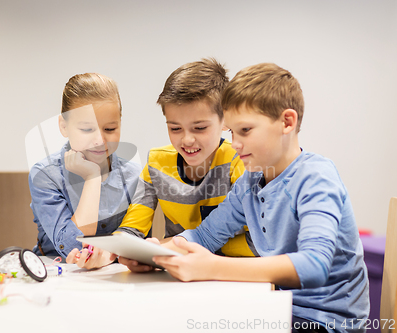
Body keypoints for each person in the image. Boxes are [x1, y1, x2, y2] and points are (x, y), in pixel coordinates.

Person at [153, 63, 369, 332]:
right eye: (231, 132)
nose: (234, 144)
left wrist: (212, 267)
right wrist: (154, 254)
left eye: (245, 131)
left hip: (325, 321)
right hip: (275, 306)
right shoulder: (250, 182)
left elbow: (314, 265)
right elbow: (206, 235)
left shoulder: (316, 176)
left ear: (286, 122)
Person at [75, 58, 254, 270]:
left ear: (225, 120)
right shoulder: (157, 163)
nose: (187, 140)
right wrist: (115, 253)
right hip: (175, 274)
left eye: (199, 128)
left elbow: (259, 241)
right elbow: (132, 228)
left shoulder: (241, 161)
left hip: (235, 275)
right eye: (175, 128)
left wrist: (168, 247)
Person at [29, 73, 141, 268]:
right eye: (87, 130)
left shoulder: (135, 176)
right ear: (64, 126)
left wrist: (109, 256)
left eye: (109, 129)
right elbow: (73, 246)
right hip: (57, 271)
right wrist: (92, 178)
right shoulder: (45, 175)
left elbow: (134, 244)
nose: (99, 141)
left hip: (114, 275)